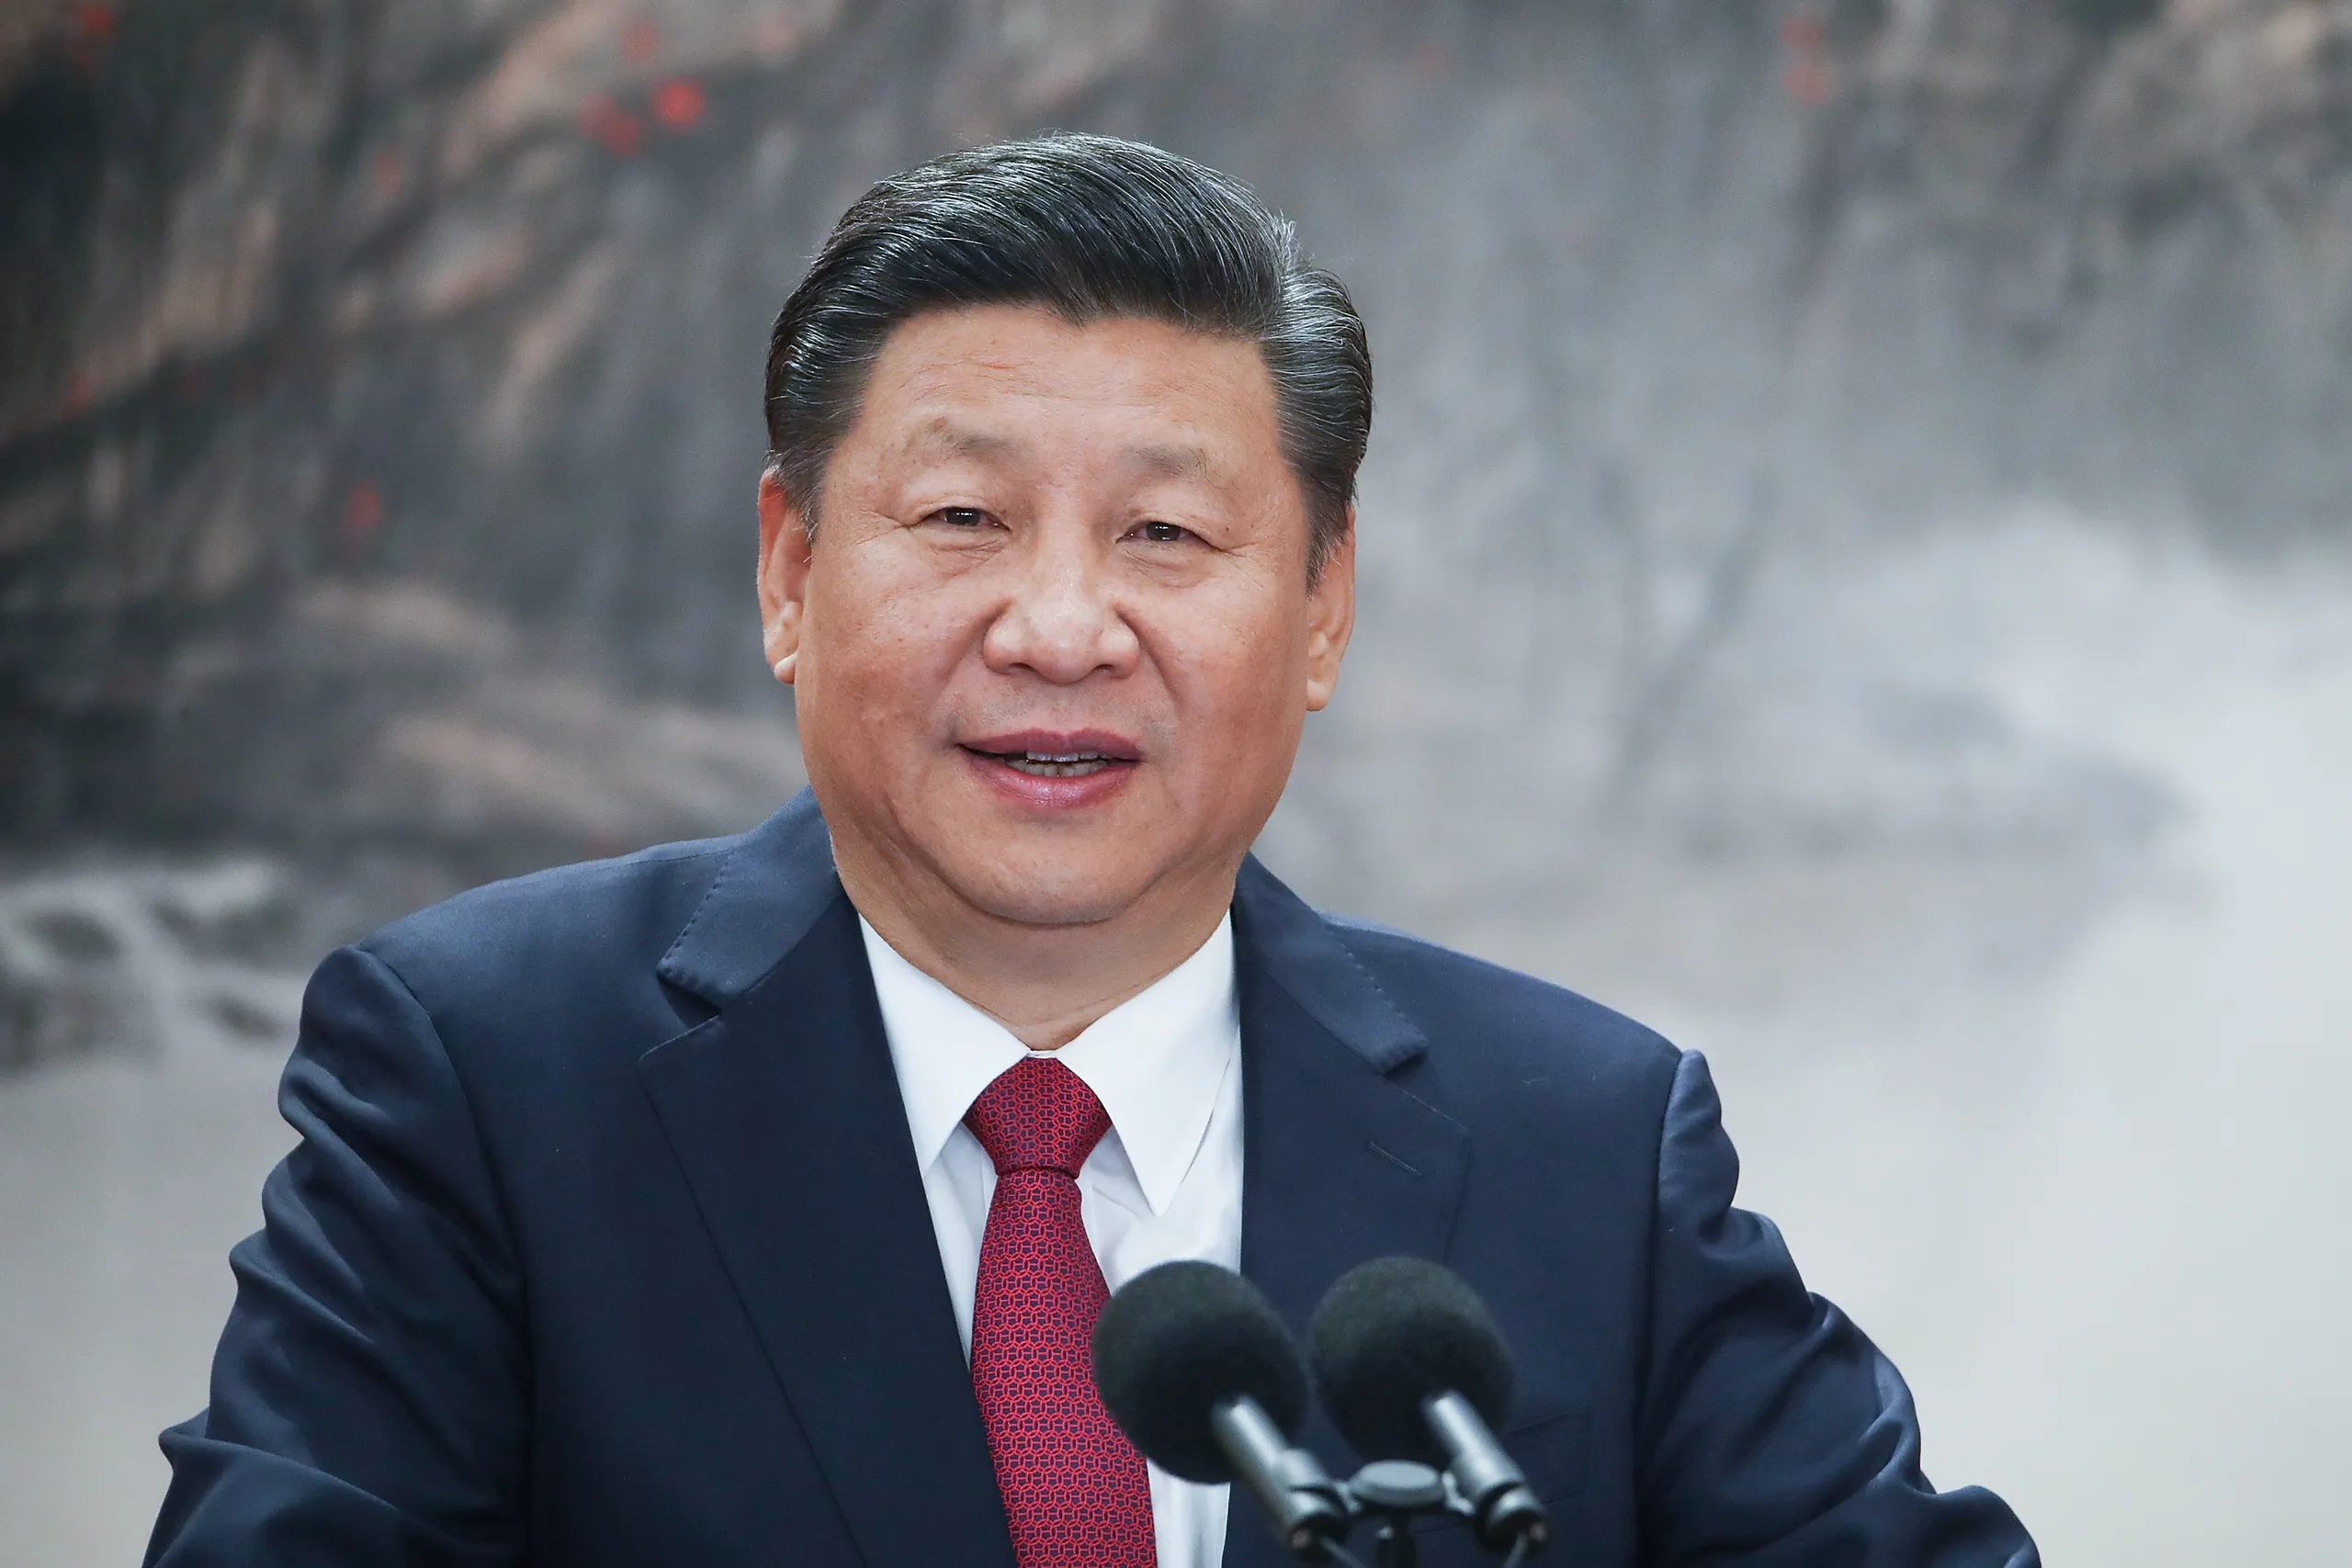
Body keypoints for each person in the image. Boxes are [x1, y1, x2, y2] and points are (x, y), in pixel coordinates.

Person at [144, 134, 2037, 1568]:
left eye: (1164, 539)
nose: (1060, 627)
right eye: (962, 514)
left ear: (1319, 607)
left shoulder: (1584, 1140)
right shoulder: (484, 1074)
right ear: (790, 572)